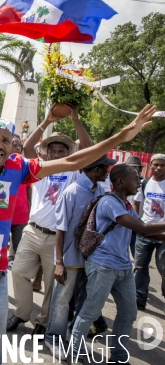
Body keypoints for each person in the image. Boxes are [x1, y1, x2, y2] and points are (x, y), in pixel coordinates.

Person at [0, 70, 155, 364]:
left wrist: (122, 136)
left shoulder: (20, 168)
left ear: (12, 145)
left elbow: (73, 160)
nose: (0, 144)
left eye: (6, 140)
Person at [68, 164, 165, 365]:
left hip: (123, 268)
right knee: (89, 312)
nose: (140, 180)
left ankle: (119, 357)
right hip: (103, 266)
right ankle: (75, 351)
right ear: (120, 181)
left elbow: (143, 230)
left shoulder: (126, 205)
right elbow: (143, 228)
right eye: (135, 177)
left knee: (129, 313)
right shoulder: (109, 202)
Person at [9, 112, 93, 338]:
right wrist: (46, 121)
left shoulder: (75, 171)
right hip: (32, 230)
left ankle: (43, 321)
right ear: (45, 152)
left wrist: (75, 118)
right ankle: (22, 312)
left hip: (58, 238)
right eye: (52, 150)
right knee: (18, 271)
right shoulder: (40, 169)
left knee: (50, 283)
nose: (56, 154)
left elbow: (89, 148)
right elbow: (26, 149)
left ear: (68, 153)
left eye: (61, 151)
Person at [44, 155, 116, 356]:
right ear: (95, 170)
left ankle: (72, 334)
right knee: (62, 300)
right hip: (69, 258)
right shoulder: (71, 192)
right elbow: (60, 228)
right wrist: (59, 262)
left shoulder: (100, 190)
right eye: (105, 168)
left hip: (91, 258)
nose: (108, 171)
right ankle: (53, 337)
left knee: (86, 299)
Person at [132, 153, 165, 311]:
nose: (158, 168)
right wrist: (137, 223)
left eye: (162, 165)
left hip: (163, 235)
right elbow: (137, 203)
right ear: (150, 165)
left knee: (163, 268)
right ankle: (139, 298)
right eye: (156, 164)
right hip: (144, 232)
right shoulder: (144, 183)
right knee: (140, 267)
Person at [7, 134, 32, 269]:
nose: (17, 148)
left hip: (21, 214)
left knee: (19, 246)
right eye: (14, 144)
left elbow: (29, 189)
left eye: (19, 146)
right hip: (3, 214)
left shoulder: (25, 165)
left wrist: (30, 207)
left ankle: (17, 268)